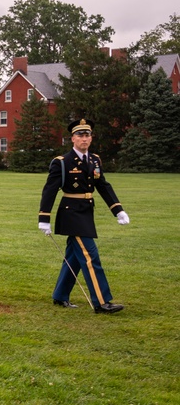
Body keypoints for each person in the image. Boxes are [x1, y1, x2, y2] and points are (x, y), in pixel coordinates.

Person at [39, 118, 128, 313]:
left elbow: (103, 186)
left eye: (87, 135)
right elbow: (50, 191)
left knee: (73, 257)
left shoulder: (94, 160)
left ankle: (60, 295)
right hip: (72, 214)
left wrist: (118, 209)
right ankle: (102, 302)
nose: (84, 139)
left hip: (86, 212)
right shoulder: (62, 162)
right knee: (89, 256)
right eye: (80, 135)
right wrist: (44, 218)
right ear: (72, 138)